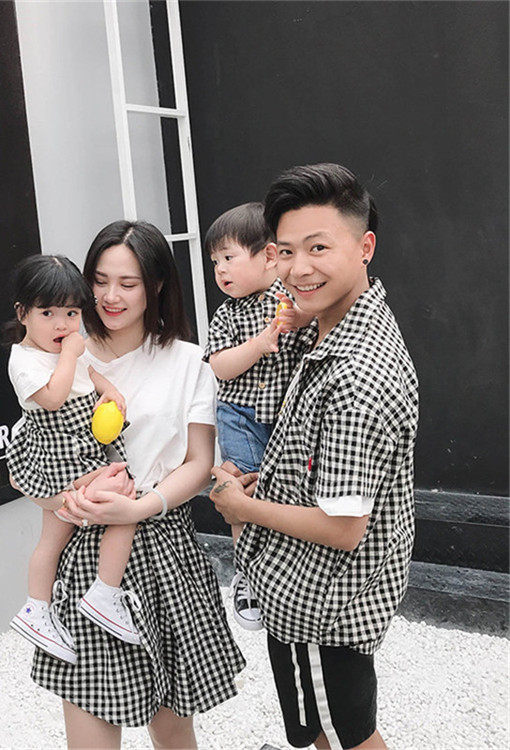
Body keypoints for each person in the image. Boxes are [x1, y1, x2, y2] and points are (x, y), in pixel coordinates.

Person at [210, 164, 418, 750]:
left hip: (322, 604)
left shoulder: (355, 375)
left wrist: (241, 509)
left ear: (365, 247)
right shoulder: (331, 329)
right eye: (286, 251)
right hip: (315, 593)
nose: (299, 268)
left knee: (347, 736)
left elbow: (343, 527)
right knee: (328, 728)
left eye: (319, 248)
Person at [20, 221, 245, 749]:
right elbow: (25, 455)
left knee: (172, 729)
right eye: (99, 281)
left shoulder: (189, 361)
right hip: (85, 552)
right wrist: (63, 498)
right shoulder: (61, 356)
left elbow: (198, 462)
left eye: (128, 283)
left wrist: (141, 508)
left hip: (165, 548)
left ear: (156, 285)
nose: (110, 296)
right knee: (91, 724)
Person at [5, 254, 143, 664]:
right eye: (47, 313)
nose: (62, 324)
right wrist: (70, 355)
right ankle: (101, 593)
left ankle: (40, 607)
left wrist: (108, 389)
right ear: (23, 314)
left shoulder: (69, 350)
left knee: (55, 536)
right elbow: (52, 398)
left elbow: (88, 376)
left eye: (71, 313)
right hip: (60, 456)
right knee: (123, 501)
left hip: (83, 449)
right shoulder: (24, 360)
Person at [202, 202, 311, 630]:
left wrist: (299, 320)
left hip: (287, 419)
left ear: (267, 256)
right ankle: (246, 572)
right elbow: (219, 366)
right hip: (241, 416)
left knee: (287, 495)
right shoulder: (227, 314)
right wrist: (259, 344)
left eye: (229, 258)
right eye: (215, 262)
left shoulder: (293, 300)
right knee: (238, 485)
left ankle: (288, 571)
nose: (220, 270)